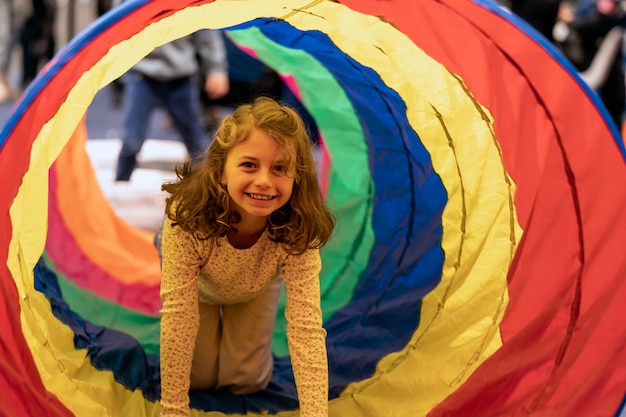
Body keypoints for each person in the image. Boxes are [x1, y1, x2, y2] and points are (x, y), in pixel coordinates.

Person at [157, 97, 335, 417]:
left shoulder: (297, 227)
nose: (264, 181)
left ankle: (242, 346)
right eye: (249, 165)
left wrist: (315, 413)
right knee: (199, 377)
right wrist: (173, 409)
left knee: (246, 379)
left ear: (297, 178)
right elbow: (177, 317)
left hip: (256, 283)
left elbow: (306, 326)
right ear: (222, 170)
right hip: (199, 286)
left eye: (280, 168)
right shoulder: (188, 219)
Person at [114, 30, 229, 181]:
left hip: (181, 79)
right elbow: (120, 24)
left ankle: (210, 189)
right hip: (142, 76)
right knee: (131, 142)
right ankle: (120, 184)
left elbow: (206, 32)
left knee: (196, 143)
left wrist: (216, 69)